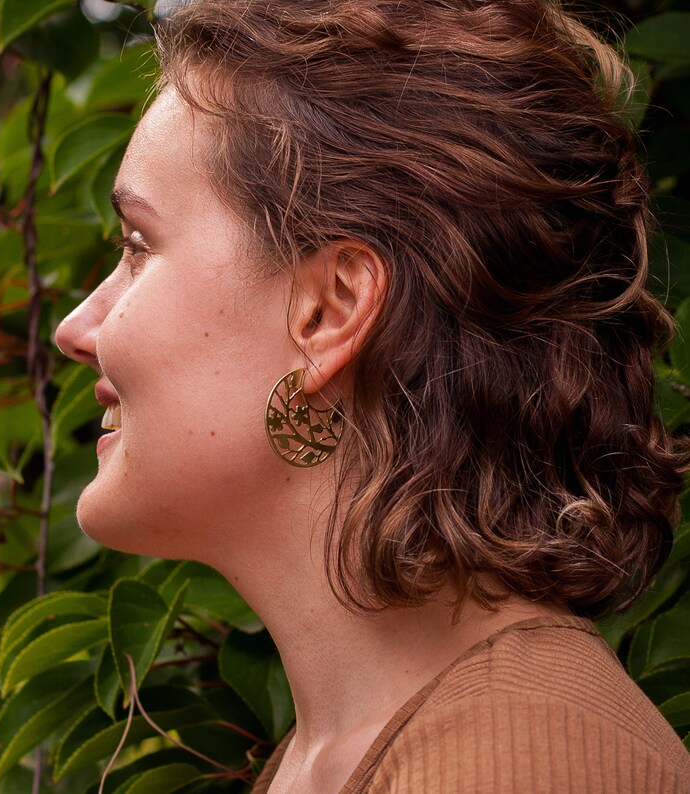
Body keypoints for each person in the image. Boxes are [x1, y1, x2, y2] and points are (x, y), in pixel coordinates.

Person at [54, 0, 690, 791]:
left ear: (330, 311)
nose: (77, 327)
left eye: (138, 246)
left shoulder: (525, 760)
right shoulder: (359, 751)